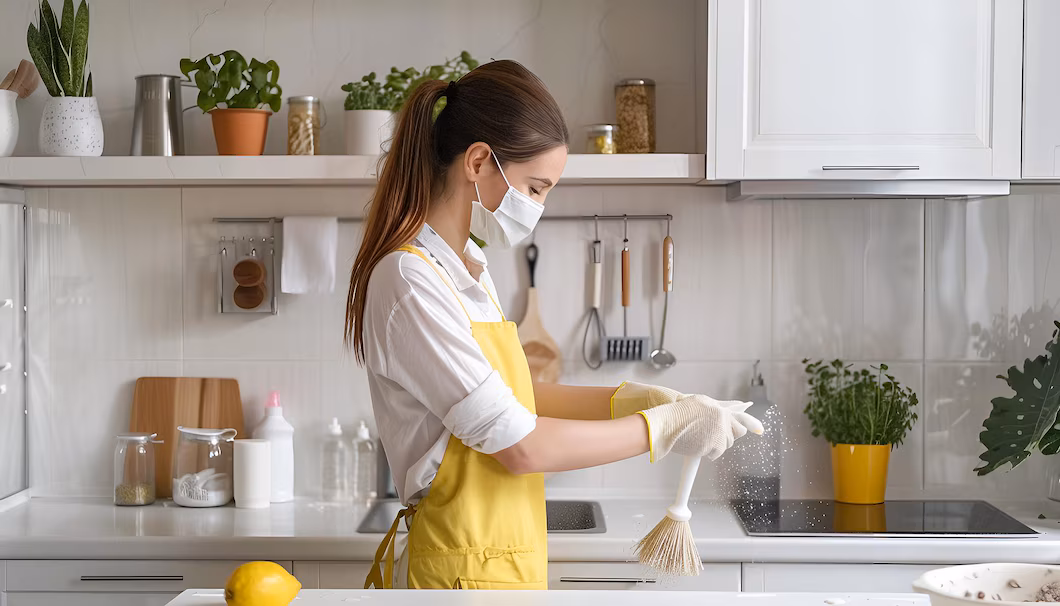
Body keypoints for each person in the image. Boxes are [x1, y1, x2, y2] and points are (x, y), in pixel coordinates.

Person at [346, 60, 763, 590]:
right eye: (536, 188)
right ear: (478, 162)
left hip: (501, 560)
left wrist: (639, 399)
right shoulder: (408, 278)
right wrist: (661, 431)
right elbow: (522, 447)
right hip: (459, 570)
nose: (539, 206)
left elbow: (515, 398)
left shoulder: (469, 269)